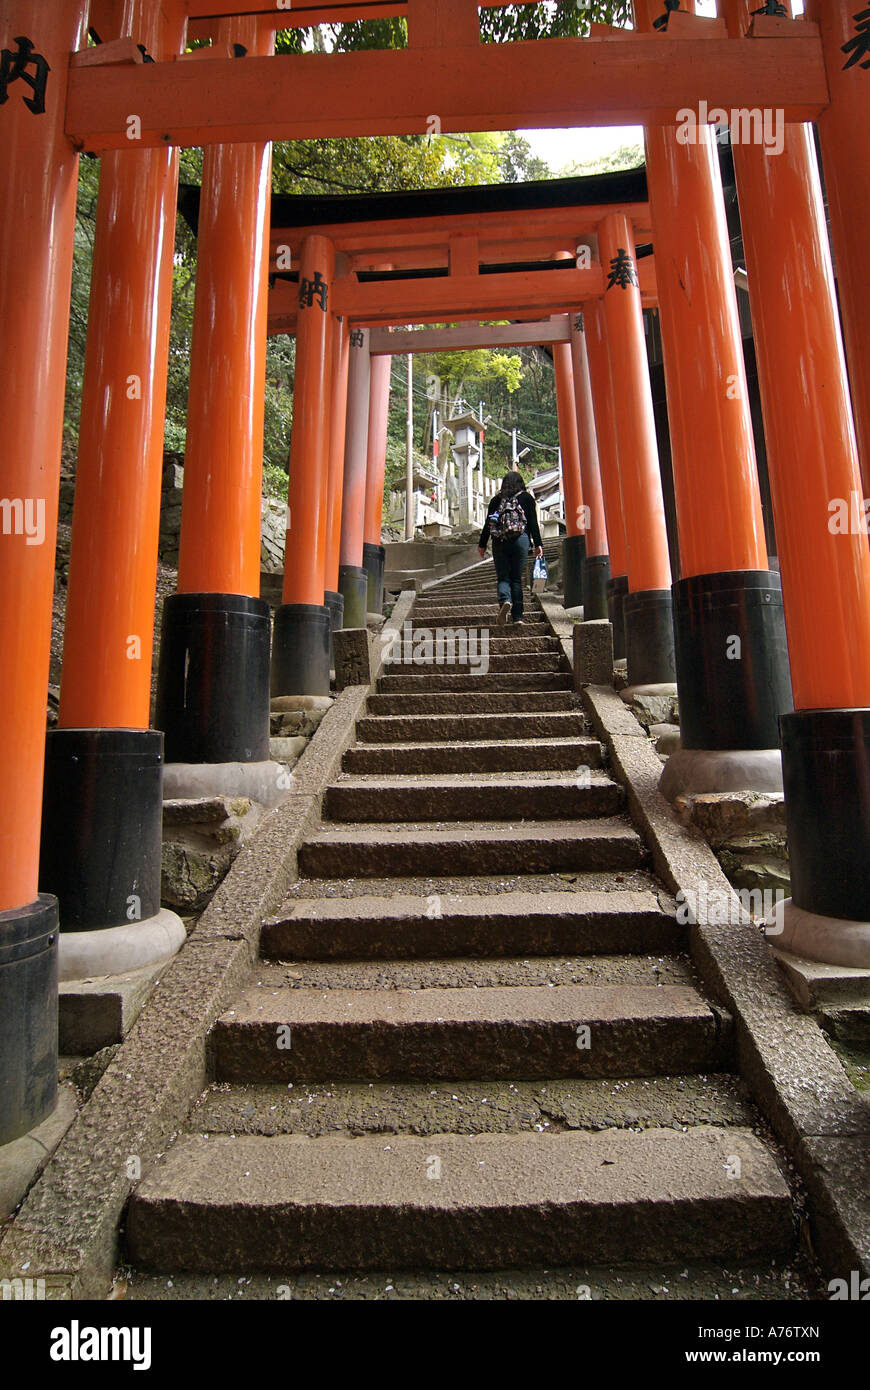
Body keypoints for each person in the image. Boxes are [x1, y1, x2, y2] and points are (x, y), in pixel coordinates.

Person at [478, 471, 544, 625]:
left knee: (503, 577)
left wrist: (482, 545)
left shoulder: (496, 500)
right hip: (521, 540)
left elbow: (488, 524)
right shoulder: (527, 499)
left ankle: (505, 601)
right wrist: (538, 544)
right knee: (516, 579)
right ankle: (518, 617)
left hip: (499, 541)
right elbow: (533, 523)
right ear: (521, 484)